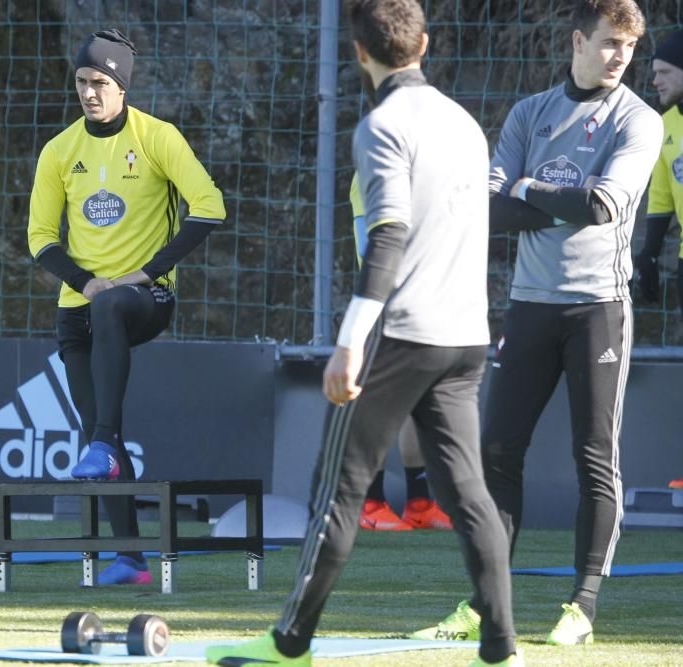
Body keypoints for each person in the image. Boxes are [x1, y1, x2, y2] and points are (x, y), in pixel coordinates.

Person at [207, 1, 519, 665]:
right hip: (466, 333)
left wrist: (351, 337)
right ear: (425, 44)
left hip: (405, 332)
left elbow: (388, 234)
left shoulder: (382, 125)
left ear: (357, 53)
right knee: (469, 496)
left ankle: (290, 643)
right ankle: (501, 648)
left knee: (337, 492)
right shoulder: (465, 123)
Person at [412, 0, 661, 647]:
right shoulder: (530, 113)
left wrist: (527, 191)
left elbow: (603, 204)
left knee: (595, 456)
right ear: (578, 40)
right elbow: (490, 210)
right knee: (496, 449)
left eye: (628, 49)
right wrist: (537, 200)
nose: (618, 58)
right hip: (530, 305)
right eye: (608, 44)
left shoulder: (638, 120)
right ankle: (482, 600)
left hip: (599, 308)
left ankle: (581, 603)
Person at [27, 29, 226, 586]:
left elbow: (210, 206)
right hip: (80, 306)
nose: (89, 92)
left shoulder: (157, 137)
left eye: (100, 82)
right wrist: (85, 283)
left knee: (113, 314)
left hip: (146, 298)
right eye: (82, 82)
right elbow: (40, 237)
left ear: (121, 86)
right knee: (98, 432)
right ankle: (131, 558)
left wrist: (148, 272)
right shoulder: (60, 151)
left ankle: (105, 442)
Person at [350, 174, 453, 532]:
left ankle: (420, 502)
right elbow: (374, 247)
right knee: (379, 403)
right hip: (385, 306)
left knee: (419, 401)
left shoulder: (428, 171)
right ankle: (370, 502)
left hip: (424, 303)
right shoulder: (374, 169)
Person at [637, 28, 683, 491]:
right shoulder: (666, 125)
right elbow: (662, 197)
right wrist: (649, 256)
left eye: (665, 72)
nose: (656, 81)